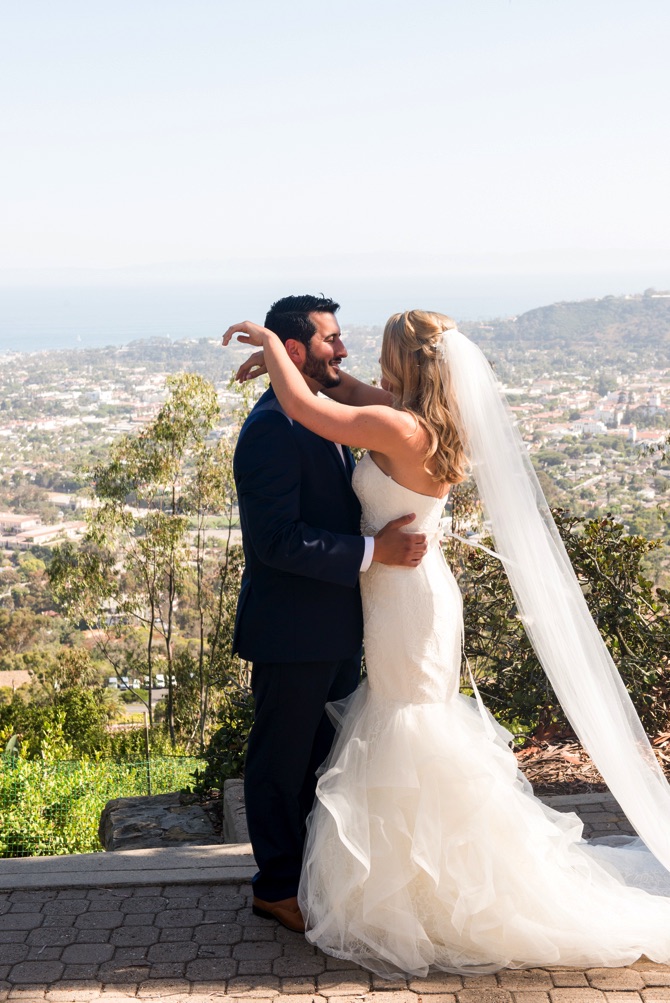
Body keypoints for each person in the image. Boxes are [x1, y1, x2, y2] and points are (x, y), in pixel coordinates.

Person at [224, 308, 670, 977]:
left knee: (408, 729)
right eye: (336, 340)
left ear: (404, 363)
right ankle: (410, 876)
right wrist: (290, 359)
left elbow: (306, 406)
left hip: (405, 598)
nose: (361, 358)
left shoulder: (398, 426)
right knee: (403, 726)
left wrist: (271, 346)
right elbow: (336, 389)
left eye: (380, 352)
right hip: (409, 591)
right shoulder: (417, 419)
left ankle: (418, 887)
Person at [230, 295, 428, 934]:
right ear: (296, 349)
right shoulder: (271, 428)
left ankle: (318, 878)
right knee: (280, 765)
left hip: (343, 625)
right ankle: (276, 888)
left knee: (326, 762)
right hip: (292, 631)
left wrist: (283, 361)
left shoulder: (323, 408)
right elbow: (276, 541)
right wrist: (374, 552)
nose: (343, 349)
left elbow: (340, 390)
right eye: (330, 340)